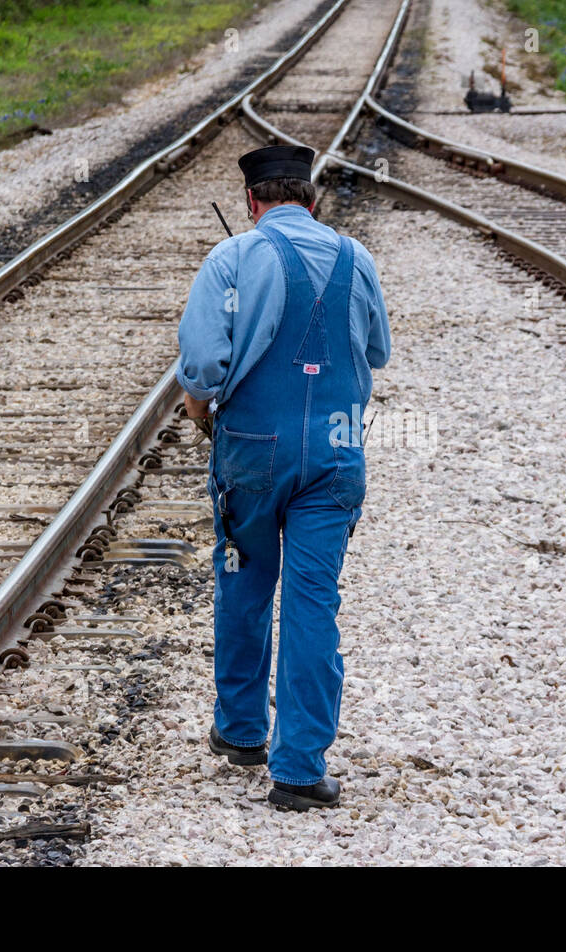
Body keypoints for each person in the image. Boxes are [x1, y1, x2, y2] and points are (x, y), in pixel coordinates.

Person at [175, 145, 391, 811]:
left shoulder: (232, 259)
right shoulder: (358, 259)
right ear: (312, 200)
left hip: (252, 450)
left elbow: (201, 368)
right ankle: (298, 769)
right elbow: (378, 350)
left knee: (243, 582)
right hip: (335, 452)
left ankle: (241, 733)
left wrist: (198, 413)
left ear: (251, 203)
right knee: (312, 601)